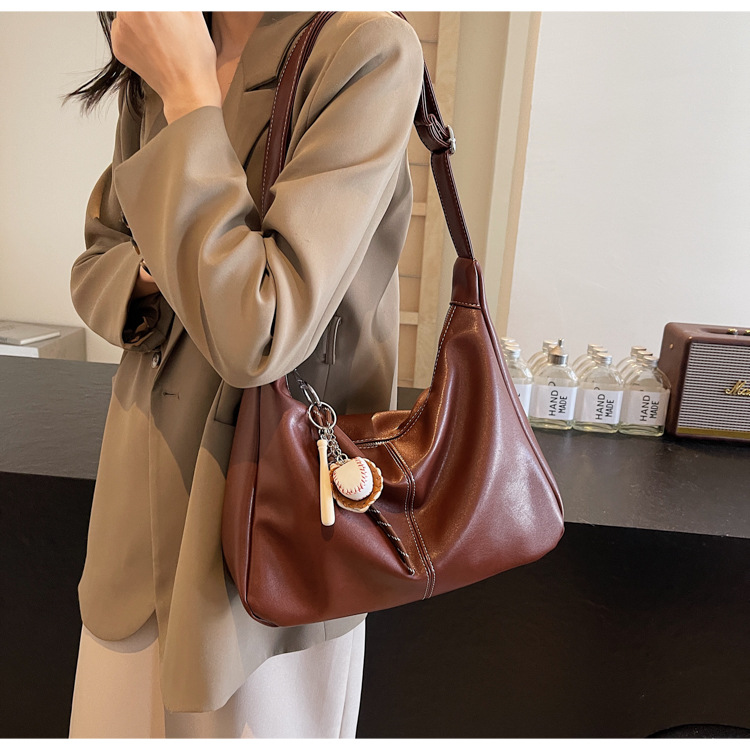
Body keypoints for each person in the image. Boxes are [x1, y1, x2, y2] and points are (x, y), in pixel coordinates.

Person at [64, 10, 424, 739]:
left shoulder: (364, 47)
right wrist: (160, 270)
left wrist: (189, 93)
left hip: (270, 532)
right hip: (134, 515)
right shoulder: (164, 33)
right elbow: (98, 261)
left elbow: (260, 331)